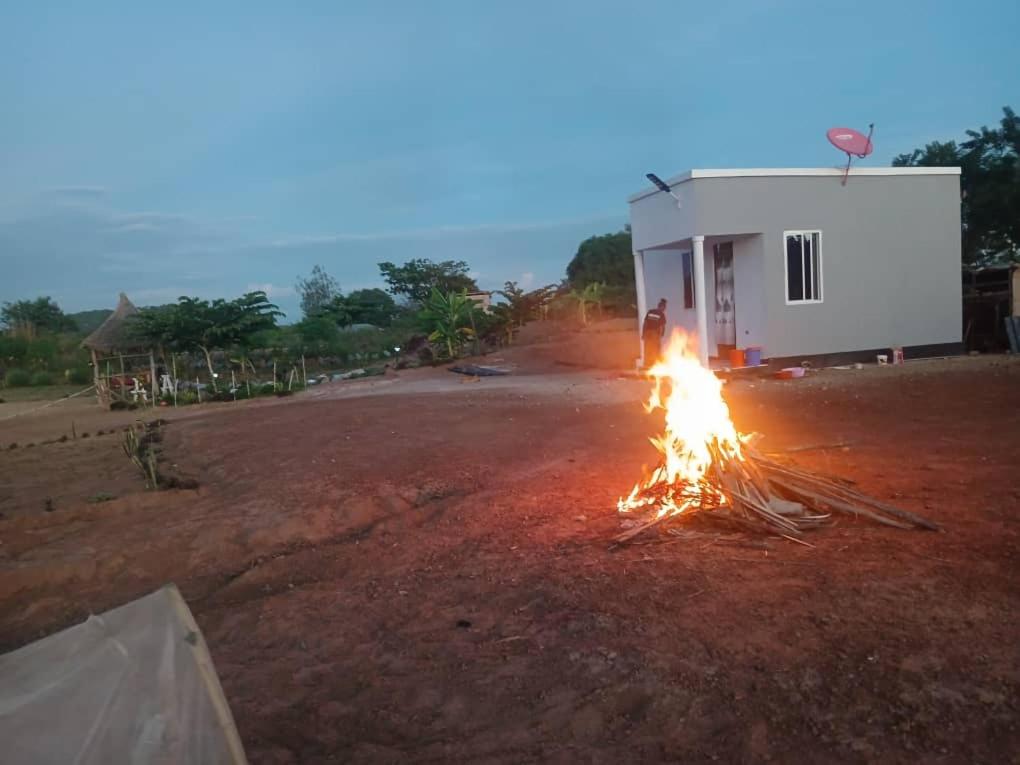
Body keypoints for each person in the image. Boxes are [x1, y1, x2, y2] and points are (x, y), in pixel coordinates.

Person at [641, 298, 667, 367]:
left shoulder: (650, 311)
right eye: (664, 308)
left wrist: (643, 334)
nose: (664, 309)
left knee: (647, 349)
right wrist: (661, 334)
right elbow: (662, 326)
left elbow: (645, 323)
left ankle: (647, 364)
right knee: (656, 349)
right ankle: (655, 364)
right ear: (661, 307)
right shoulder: (661, 314)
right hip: (654, 334)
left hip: (647, 333)